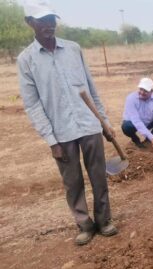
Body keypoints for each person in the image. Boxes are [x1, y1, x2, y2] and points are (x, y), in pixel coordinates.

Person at [17, 0, 118, 246]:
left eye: (52, 20)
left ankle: (104, 220)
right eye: (42, 21)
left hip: (89, 125)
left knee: (98, 177)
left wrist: (103, 122)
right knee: (72, 182)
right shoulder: (26, 60)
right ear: (30, 23)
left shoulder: (74, 49)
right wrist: (52, 141)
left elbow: (91, 89)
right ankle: (84, 225)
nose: (49, 25)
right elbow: (33, 105)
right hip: (61, 132)